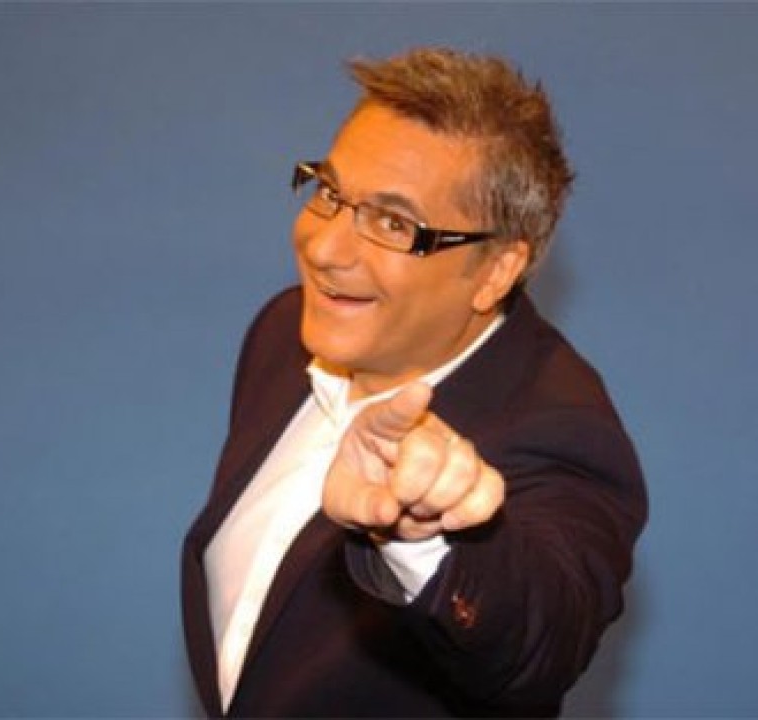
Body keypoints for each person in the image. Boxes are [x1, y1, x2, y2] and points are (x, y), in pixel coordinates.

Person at [181, 47, 648, 718]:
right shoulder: (286, 332)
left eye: (394, 224)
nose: (324, 248)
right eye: (329, 193)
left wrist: (419, 536)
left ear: (496, 271)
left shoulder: (563, 432)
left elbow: (539, 642)